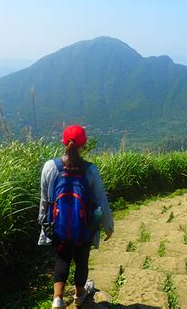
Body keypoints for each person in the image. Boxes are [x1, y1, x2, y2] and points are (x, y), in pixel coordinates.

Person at [38, 125, 114, 308]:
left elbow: (44, 199)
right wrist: (108, 225)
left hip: (58, 225)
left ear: (64, 141)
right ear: (84, 144)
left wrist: (43, 221)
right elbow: (100, 199)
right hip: (84, 227)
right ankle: (80, 296)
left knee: (62, 258)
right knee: (81, 260)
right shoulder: (90, 170)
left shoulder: (50, 166)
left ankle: (57, 299)